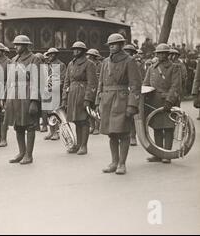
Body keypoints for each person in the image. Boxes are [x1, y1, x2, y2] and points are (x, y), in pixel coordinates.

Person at [96, 33, 141, 175]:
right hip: (107, 101)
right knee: (112, 134)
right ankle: (114, 162)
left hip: (122, 100)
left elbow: (135, 85)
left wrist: (132, 105)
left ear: (121, 45)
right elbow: (100, 83)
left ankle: (122, 163)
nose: (111, 46)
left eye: (114, 44)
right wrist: (98, 101)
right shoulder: (105, 62)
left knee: (124, 133)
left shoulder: (129, 61)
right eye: (110, 44)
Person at [5, 35, 42, 165]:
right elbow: (9, 80)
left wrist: (34, 101)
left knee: (29, 125)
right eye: (14, 44)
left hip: (27, 95)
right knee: (18, 126)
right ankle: (21, 152)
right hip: (14, 96)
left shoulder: (34, 59)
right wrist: (6, 98)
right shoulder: (13, 60)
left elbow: (37, 81)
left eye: (18, 44)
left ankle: (29, 155)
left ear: (26, 45)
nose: (15, 47)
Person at [143, 44, 182, 164]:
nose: (161, 55)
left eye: (164, 53)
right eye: (159, 53)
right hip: (154, 101)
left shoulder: (174, 68)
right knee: (157, 128)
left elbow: (176, 86)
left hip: (168, 101)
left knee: (168, 127)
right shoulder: (151, 68)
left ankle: (167, 154)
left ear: (168, 54)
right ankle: (158, 154)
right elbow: (146, 84)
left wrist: (169, 101)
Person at [62, 42, 98, 154]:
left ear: (83, 51)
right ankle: (77, 144)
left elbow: (92, 83)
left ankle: (84, 146)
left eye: (78, 49)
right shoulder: (70, 64)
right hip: (72, 94)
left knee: (84, 121)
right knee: (77, 120)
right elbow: (66, 82)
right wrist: (64, 98)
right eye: (74, 49)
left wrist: (88, 99)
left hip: (83, 93)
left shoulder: (89, 64)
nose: (75, 51)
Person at [43, 47, 66, 140]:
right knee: (48, 112)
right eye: (49, 54)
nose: (50, 56)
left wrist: (54, 87)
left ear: (56, 55)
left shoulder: (61, 65)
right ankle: (51, 131)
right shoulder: (47, 65)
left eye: (52, 54)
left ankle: (56, 132)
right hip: (46, 91)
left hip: (56, 91)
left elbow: (63, 79)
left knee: (55, 112)